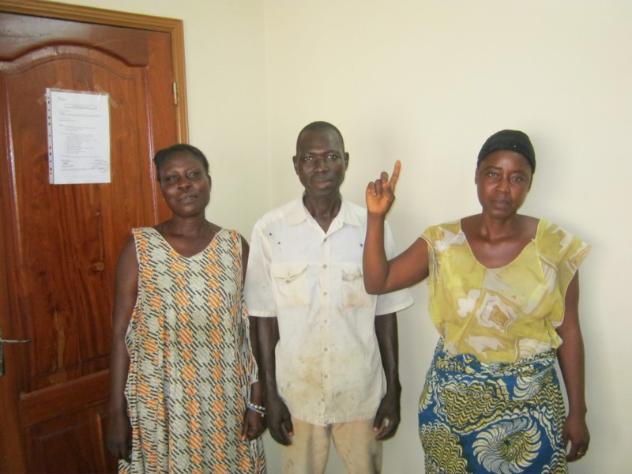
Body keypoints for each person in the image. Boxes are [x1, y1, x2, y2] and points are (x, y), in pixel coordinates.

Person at [363, 130, 590, 473]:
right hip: (451, 415)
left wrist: (578, 411)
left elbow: (569, 331)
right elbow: (377, 281)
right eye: (493, 174)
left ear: (529, 184)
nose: (503, 188)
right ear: (477, 176)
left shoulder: (555, 247)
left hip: (533, 415)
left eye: (517, 178)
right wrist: (376, 217)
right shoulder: (442, 242)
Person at [245, 121, 413, 474]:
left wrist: (393, 389)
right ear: (296, 165)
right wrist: (270, 395)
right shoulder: (270, 230)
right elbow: (262, 319)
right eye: (309, 158)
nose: (320, 166)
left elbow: (386, 312)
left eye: (331, 156)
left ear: (346, 161)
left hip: (360, 391)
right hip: (297, 396)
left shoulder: (372, 226)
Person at [106, 144, 266, 473]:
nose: (184, 185)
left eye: (193, 175)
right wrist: (116, 410)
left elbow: (252, 329)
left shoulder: (235, 246)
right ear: (161, 187)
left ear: (208, 181)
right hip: (159, 403)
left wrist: (257, 399)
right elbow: (121, 334)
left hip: (224, 399)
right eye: (172, 178)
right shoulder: (139, 248)